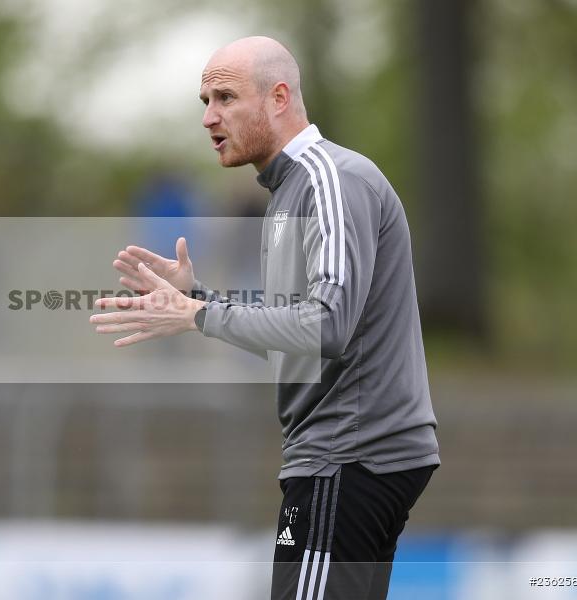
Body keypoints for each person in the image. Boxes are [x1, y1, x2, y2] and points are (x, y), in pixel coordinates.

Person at [89, 36, 439, 600]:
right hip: (336, 458)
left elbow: (325, 326)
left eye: (225, 98)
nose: (209, 117)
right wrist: (198, 297)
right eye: (205, 101)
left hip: (350, 454)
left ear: (278, 98)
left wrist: (201, 314)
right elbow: (294, 332)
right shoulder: (286, 193)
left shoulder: (331, 180)